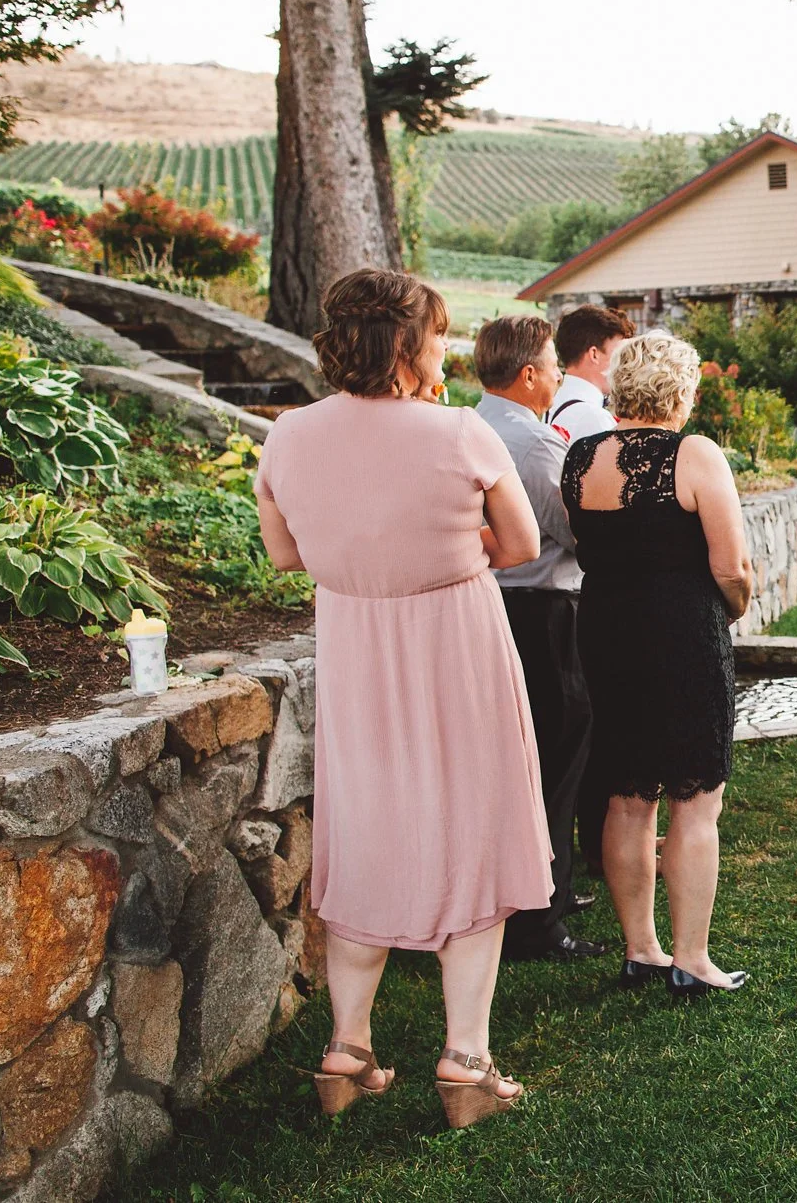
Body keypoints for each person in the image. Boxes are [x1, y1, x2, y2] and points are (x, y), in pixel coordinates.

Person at [254, 269, 548, 1128]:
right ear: (414, 343)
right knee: (474, 833)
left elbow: (283, 554)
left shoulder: (290, 436)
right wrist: (449, 553)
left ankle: (347, 1048)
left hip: (357, 649)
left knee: (370, 829)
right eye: (438, 335)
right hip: (457, 647)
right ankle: (465, 1060)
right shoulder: (460, 431)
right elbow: (523, 543)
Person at [563, 330, 755, 996]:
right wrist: (734, 604)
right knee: (696, 798)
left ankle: (641, 949)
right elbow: (730, 565)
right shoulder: (695, 453)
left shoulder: (581, 457)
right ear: (681, 390)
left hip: (607, 631)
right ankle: (692, 957)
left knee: (626, 794)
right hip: (681, 632)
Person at [471, 315, 608, 964]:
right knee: (556, 758)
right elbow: (578, 533)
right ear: (529, 375)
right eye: (554, 366)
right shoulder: (533, 444)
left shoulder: (469, 425)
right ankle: (540, 918)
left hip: (493, 608)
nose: (558, 376)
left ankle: (540, 892)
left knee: (517, 762)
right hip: (544, 612)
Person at [554, 305, 637, 874]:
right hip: (583, 584)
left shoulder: (559, 406)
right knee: (597, 725)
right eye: (619, 354)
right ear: (595, 355)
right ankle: (600, 848)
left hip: (562, 584)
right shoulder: (592, 420)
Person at [548, 302, 634, 443]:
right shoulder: (596, 419)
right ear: (594, 354)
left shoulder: (552, 403)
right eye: (618, 353)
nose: (624, 363)